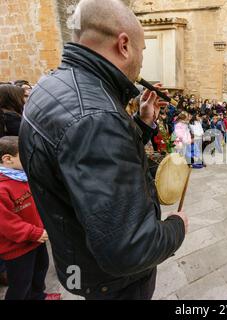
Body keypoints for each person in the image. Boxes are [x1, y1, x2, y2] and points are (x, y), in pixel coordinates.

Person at [19, 0, 187, 300]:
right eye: (142, 51)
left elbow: (90, 164)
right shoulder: (97, 117)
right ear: (124, 45)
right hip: (116, 283)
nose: (141, 62)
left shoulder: (49, 85)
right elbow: (130, 249)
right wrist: (177, 227)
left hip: (80, 262)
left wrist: (142, 124)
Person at [0, 137, 60, 300]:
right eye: (24, 154)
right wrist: (34, 233)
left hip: (36, 239)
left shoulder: (21, 176)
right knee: (21, 284)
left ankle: (37, 296)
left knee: (39, 271)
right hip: (17, 248)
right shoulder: (2, 188)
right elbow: (6, 224)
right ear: (7, 159)